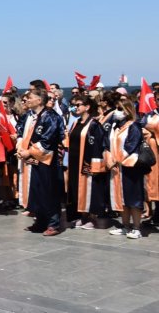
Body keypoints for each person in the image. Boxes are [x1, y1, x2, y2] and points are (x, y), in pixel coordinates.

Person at [17, 88, 65, 236]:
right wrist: (20, 145)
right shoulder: (29, 116)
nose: (27, 100)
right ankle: (40, 221)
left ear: (39, 100)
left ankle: (53, 224)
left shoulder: (50, 116)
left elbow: (48, 140)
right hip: (31, 161)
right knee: (36, 192)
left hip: (47, 162)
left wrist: (29, 151)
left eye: (30, 97)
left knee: (49, 192)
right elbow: (20, 130)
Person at [106, 98, 147, 239]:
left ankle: (136, 227)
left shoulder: (133, 126)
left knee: (134, 198)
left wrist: (116, 159)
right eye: (116, 109)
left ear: (127, 110)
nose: (117, 112)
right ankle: (125, 226)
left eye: (120, 109)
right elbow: (108, 143)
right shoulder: (115, 126)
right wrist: (109, 158)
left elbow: (131, 146)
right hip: (118, 168)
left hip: (130, 167)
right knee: (121, 199)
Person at [67, 96, 107, 229]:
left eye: (78, 104)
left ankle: (92, 218)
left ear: (87, 107)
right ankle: (83, 216)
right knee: (77, 189)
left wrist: (95, 165)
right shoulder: (75, 123)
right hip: (74, 162)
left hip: (87, 162)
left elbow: (98, 145)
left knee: (90, 190)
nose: (76, 107)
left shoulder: (94, 125)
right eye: (74, 105)